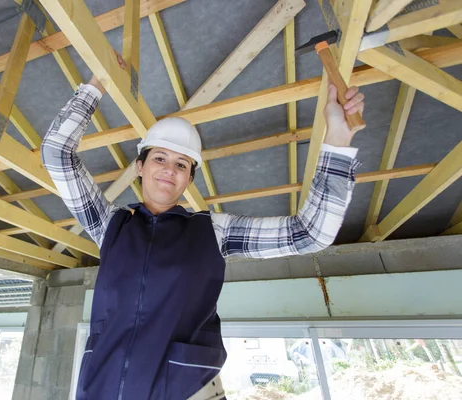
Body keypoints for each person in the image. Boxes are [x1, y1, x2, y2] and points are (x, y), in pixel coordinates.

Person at [41, 51, 364, 400]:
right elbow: (56, 152)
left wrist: (338, 138)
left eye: (182, 164)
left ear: (189, 180)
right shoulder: (111, 226)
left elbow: (309, 233)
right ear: (140, 166)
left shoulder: (213, 230)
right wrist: (97, 83)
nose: (169, 169)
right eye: (160, 158)